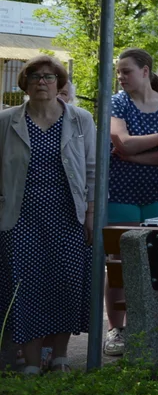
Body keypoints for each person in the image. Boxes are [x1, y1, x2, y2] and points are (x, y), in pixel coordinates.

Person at [0, 56, 95, 374]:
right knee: (24, 285)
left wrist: (91, 212)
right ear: (24, 83)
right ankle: (29, 360)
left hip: (68, 215)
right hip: (20, 215)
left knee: (65, 282)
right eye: (35, 76)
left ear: (60, 83)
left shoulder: (81, 119)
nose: (42, 81)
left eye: (49, 76)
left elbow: (93, 170)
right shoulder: (7, 120)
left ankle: (60, 356)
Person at [104, 47, 158, 357]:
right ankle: (116, 329)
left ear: (146, 71)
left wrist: (138, 154)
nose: (120, 77)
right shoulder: (117, 102)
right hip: (121, 191)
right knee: (119, 261)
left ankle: (154, 327)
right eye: (119, 72)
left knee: (157, 263)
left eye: (126, 71)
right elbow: (121, 142)